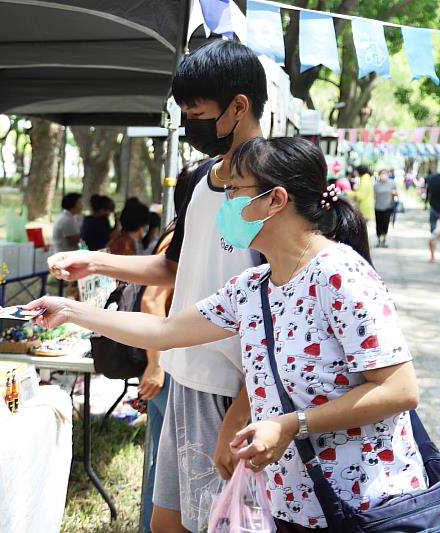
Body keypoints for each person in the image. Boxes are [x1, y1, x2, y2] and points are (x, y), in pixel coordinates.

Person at [30, 137, 425, 531]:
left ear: (276, 200)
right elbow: (165, 331)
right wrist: (71, 311)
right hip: (292, 506)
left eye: (235, 189)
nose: (226, 201)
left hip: (363, 505)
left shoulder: (340, 276)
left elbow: (399, 390)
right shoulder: (253, 286)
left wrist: (290, 425)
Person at [46, 39, 268, 533]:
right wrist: (97, 262)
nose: (190, 124)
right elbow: (174, 268)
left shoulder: (271, 183)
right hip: (183, 369)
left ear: (239, 106)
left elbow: (281, 304)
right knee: (166, 521)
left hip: (232, 386)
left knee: (219, 522)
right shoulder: (197, 180)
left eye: (198, 111)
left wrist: (247, 403)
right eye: (184, 112)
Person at [373, 169, 397, 248]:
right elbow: (373, 196)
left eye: (385, 174)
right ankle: (379, 240)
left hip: (387, 207)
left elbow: (395, 193)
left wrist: (394, 193)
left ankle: (383, 240)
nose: (383, 175)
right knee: (378, 224)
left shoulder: (391, 183)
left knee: (385, 224)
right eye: (382, 174)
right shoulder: (376, 185)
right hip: (378, 207)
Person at [425, 172, 440, 262]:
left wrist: (426, 202)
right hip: (434, 209)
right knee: (434, 235)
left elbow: (428, 192)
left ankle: (432, 256)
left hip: (434, 208)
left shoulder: (432, 178)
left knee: (433, 234)